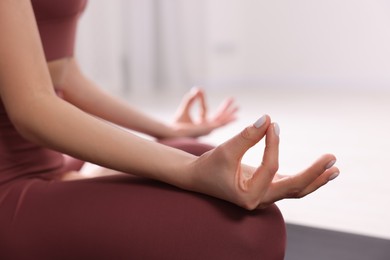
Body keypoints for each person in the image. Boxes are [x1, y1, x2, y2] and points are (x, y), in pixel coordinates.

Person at [0, 0, 340, 259]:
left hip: (52, 162)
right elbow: (32, 106)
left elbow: (61, 72)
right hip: (8, 186)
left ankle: (85, 179)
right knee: (250, 234)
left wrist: (165, 130)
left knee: (195, 154)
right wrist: (190, 172)